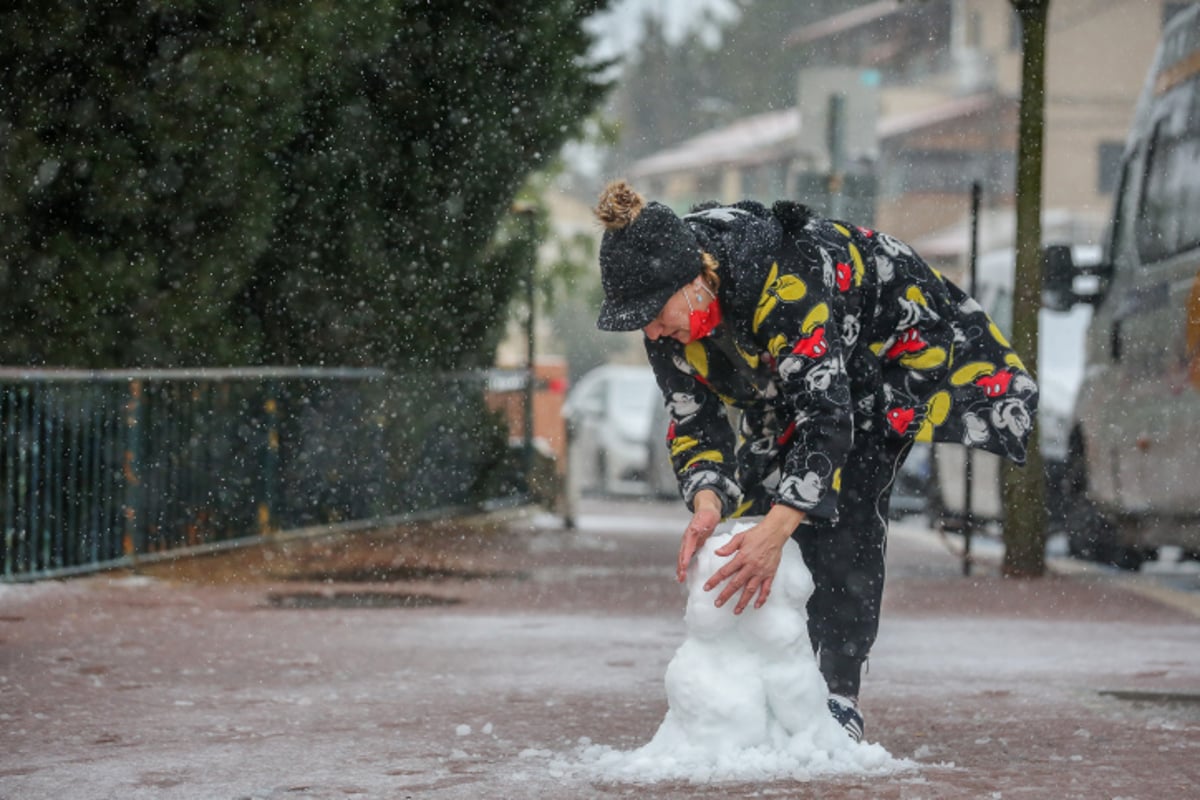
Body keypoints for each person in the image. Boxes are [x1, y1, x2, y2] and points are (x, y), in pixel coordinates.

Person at [592, 180, 1037, 742]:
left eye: (654, 314)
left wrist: (783, 525)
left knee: (840, 506)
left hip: (887, 350)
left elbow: (828, 421)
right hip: (786, 374)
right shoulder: (670, 316)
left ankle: (837, 694)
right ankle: (770, 683)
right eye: (642, 321)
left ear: (695, 278)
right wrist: (708, 503)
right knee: (753, 514)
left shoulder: (786, 280)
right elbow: (694, 419)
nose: (652, 331)